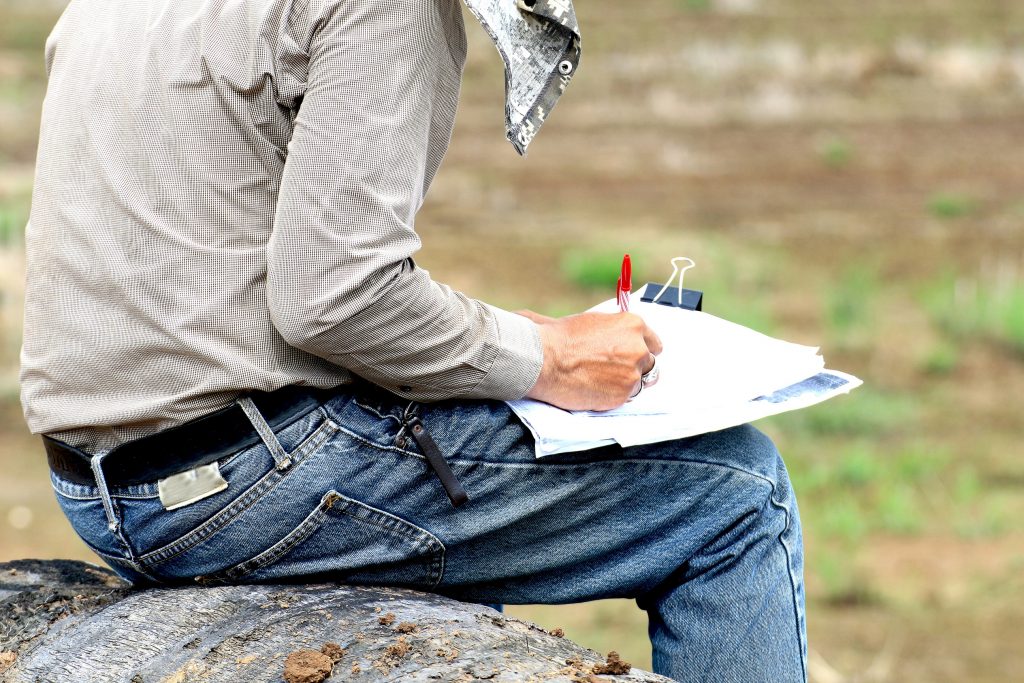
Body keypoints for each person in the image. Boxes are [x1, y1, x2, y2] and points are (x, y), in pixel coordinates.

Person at [20, 0, 807, 680]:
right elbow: (335, 297)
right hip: (244, 481)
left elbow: (218, 255)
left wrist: (501, 339)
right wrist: (552, 360)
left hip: (96, 489)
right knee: (739, 491)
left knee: (456, 452)